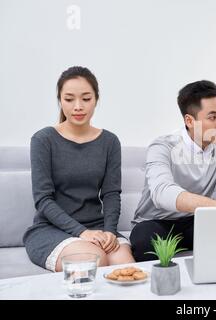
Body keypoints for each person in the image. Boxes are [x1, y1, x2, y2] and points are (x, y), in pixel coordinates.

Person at [23, 66, 135, 272]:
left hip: (98, 227)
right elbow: (43, 199)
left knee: (125, 267)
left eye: (86, 98)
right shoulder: (43, 140)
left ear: (96, 100)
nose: (78, 106)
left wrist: (110, 231)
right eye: (69, 99)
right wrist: (82, 232)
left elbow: (111, 194)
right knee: (94, 260)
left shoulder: (109, 141)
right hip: (51, 229)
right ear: (59, 100)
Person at [130, 80, 216, 261]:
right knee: (144, 239)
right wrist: (213, 206)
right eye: (213, 117)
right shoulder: (163, 146)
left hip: (198, 220)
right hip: (159, 223)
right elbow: (162, 192)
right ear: (189, 121)